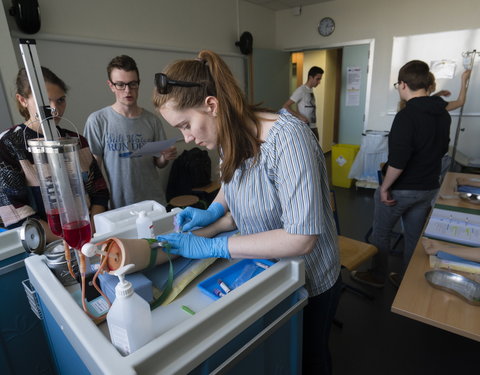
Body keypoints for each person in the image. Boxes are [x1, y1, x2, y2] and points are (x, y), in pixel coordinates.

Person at [152, 50, 341, 375]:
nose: (187, 138)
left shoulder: (288, 140)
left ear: (211, 105)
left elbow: (301, 238)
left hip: (310, 277)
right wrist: (213, 212)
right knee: (283, 355)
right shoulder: (227, 136)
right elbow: (233, 181)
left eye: (186, 125)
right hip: (268, 271)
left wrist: (216, 245)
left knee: (310, 359)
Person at [351, 60, 451, 289]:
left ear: (404, 84)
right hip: (428, 188)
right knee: (414, 238)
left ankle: (377, 276)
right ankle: (407, 281)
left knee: (381, 235)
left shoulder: (407, 116)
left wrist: (385, 187)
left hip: (402, 189)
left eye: (398, 84)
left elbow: (398, 162)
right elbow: (443, 149)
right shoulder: (443, 114)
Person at [0, 67, 109, 243]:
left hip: (89, 236)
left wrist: (90, 232)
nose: (55, 109)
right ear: (22, 100)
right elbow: (14, 211)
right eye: (46, 102)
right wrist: (68, 242)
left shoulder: (76, 140)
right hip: (44, 244)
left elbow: (99, 191)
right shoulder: (8, 145)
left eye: (60, 101)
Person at [84, 55, 177, 209]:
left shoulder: (152, 120)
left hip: (153, 203)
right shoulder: (97, 121)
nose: (127, 90)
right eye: (120, 84)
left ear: (138, 83)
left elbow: (159, 163)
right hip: (117, 206)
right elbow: (94, 171)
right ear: (111, 85)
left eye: (132, 84)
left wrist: (165, 157)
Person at [282, 66, 324, 140]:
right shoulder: (301, 90)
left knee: (316, 150)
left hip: (313, 126)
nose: (319, 82)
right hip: (305, 127)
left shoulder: (310, 90)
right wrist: (299, 116)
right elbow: (286, 106)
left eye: (320, 79)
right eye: (317, 79)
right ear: (311, 77)